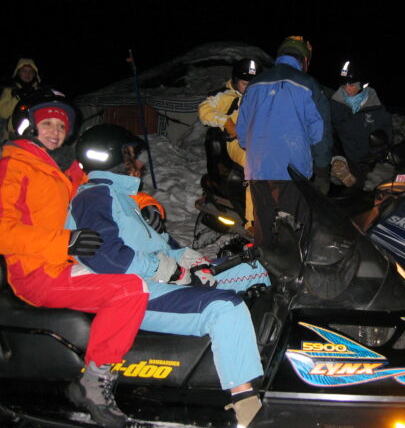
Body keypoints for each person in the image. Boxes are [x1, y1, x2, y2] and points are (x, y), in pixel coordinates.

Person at [67, 123, 269, 428]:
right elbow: (107, 257)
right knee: (225, 309)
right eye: (131, 155)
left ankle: (268, 349)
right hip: (136, 292)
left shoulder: (121, 198)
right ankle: (246, 408)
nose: (137, 163)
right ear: (112, 157)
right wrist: (167, 269)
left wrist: (187, 258)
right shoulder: (94, 198)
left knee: (255, 269)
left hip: (160, 277)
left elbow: (156, 246)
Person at [0, 91, 149, 428]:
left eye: (61, 126)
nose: (55, 131)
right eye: (47, 124)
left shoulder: (65, 166)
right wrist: (64, 243)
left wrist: (147, 206)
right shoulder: (15, 165)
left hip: (64, 263)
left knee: (140, 277)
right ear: (30, 127)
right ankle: (93, 383)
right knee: (129, 290)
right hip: (35, 272)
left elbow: (108, 188)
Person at [236, 36, 332, 247]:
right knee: (295, 231)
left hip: (258, 170)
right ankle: (294, 274)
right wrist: (323, 170)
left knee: (264, 230)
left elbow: (242, 134)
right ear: (304, 60)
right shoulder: (308, 84)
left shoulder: (254, 85)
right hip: (292, 171)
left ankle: (266, 272)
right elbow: (320, 133)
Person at [198, 58, 262, 233]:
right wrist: (225, 122)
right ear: (235, 81)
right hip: (237, 142)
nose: (248, 87)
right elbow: (204, 110)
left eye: (253, 83)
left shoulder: (262, 96)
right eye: (244, 83)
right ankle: (253, 222)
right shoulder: (225, 95)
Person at [330, 60, 393, 189]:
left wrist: (380, 158)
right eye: (343, 84)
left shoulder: (376, 107)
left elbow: (387, 136)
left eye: (351, 85)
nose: (346, 89)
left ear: (363, 85)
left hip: (372, 168)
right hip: (345, 169)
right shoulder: (333, 106)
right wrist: (337, 159)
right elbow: (326, 135)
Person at [0, 58, 42, 141]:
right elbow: (3, 113)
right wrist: (17, 98)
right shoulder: (10, 90)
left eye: (31, 72)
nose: (27, 74)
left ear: (35, 74)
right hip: (12, 136)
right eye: (24, 71)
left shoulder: (39, 92)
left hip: (34, 137)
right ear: (18, 72)